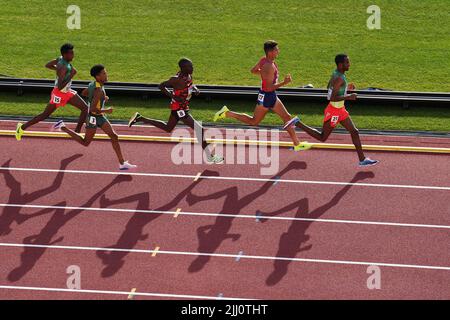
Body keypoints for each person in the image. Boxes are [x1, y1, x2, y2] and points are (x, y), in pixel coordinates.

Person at [213, 40, 310, 151]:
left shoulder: (264, 60)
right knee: (254, 121)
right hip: (267, 96)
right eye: (276, 49)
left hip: (269, 95)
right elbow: (269, 87)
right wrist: (285, 82)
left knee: (286, 117)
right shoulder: (269, 66)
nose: (278, 51)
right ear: (270, 52)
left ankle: (297, 144)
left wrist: (263, 74)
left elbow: (253, 70)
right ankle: (227, 113)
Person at [285, 54, 379, 167]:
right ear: (340, 64)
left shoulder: (337, 74)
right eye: (347, 62)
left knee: (354, 131)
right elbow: (332, 97)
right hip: (334, 111)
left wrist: (345, 89)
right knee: (322, 137)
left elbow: (329, 87)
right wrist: (348, 97)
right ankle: (297, 123)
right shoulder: (339, 78)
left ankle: (362, 159)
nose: (349, 64)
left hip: (340, 109)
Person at [128, 58, 224, 164]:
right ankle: (210, 156)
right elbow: (161, 86)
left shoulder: (188, 75)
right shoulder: (176, 79)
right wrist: (173, 96)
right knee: (199, 129)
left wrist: (195, 88)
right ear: (183, 68)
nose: (192, 68)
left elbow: (190, 85)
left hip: (183, 106)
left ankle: (140, 118)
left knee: (168, 128)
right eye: (190, 66)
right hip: (179, 108)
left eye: (192, 66)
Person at [53, 64, 137, 170]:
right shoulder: (98, 90)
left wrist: (102, 98)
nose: (106, 75)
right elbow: (92, 109)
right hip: (92, 117)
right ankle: (62, 127)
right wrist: (106, 109)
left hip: (100, 116)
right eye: (104, 73)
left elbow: (84, 93)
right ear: (98, 76)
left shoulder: (94, 85)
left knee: (114, 136)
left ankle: (122, 163)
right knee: (86, 142)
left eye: (105, 72)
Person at [15, 43, 88, 140]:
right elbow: (60, 86)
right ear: (65, 54)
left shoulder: (61, 59)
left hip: (67, 92)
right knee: (45, 115)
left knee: (85, 108)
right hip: (59, 94)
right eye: (71, 53)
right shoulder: (63, 66)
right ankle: (21, 128)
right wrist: (71, 74)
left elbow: (48, 65)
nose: (73, 55)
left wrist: (57, 69)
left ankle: (77, 132)